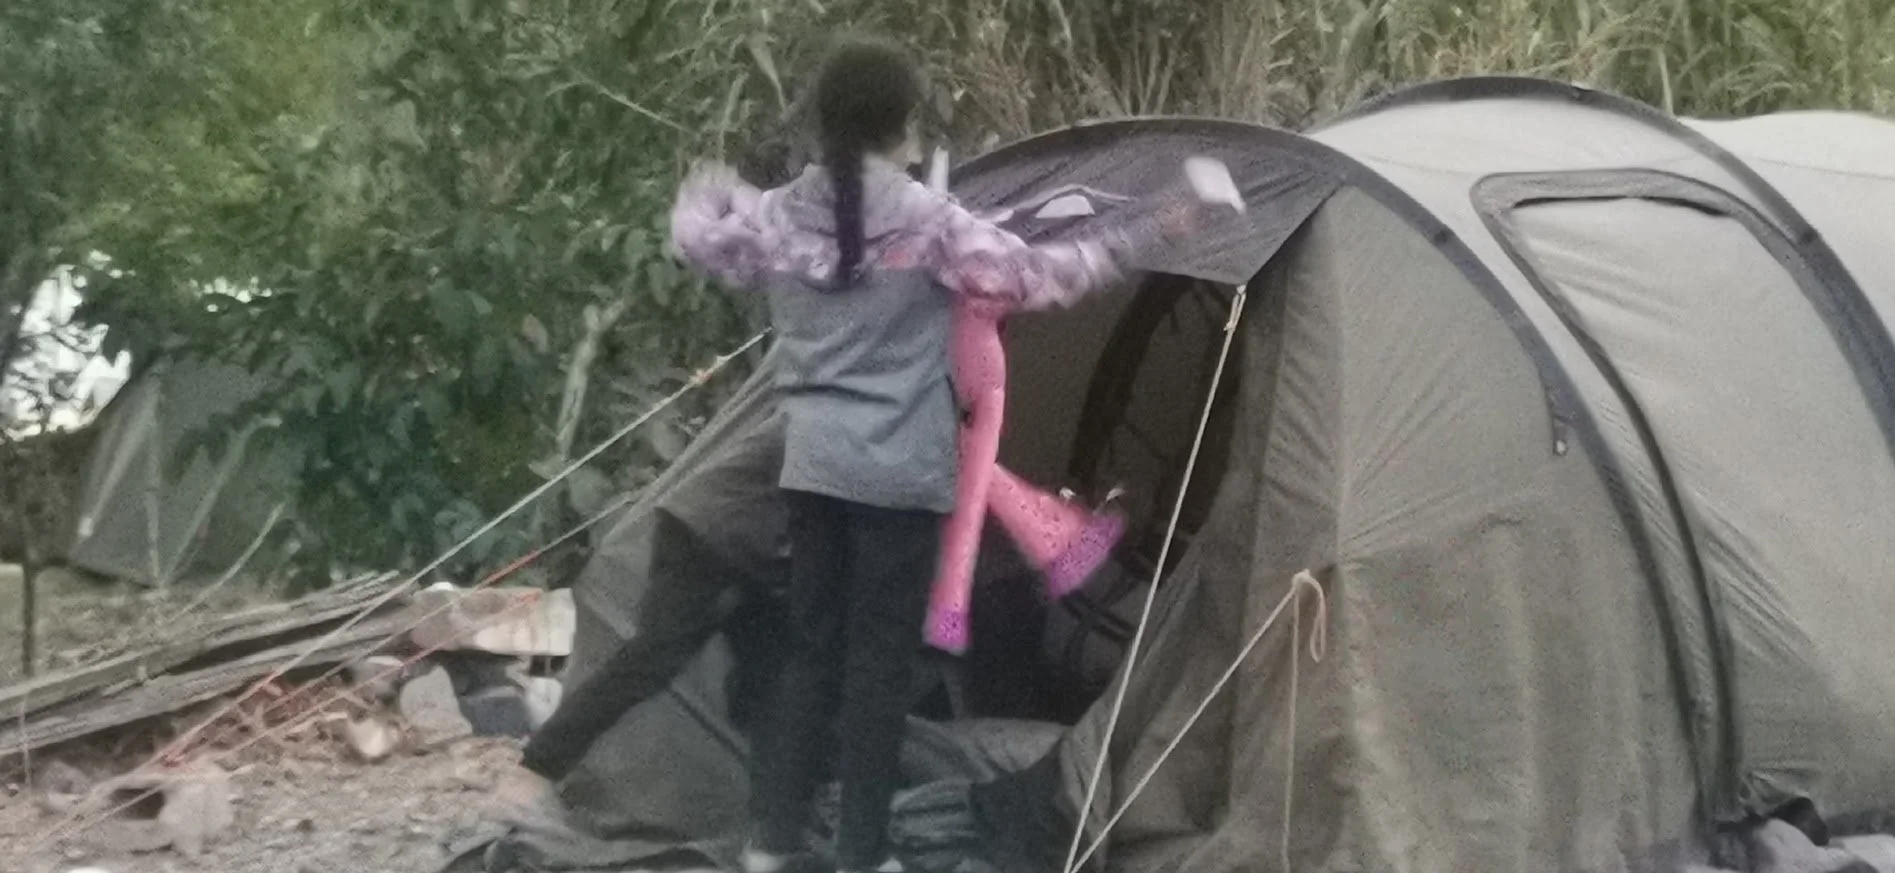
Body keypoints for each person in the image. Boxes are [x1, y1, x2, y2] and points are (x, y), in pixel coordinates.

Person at [666, 37, 1191, 873]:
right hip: (900, 477)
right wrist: (1148, 229)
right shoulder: (925, 220)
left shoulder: (780, 215)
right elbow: (1036, 276)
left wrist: (711, 187)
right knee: (877, 668)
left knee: (810, 655)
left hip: (812, 467)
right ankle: (864, 853)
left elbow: (701, 239)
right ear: (903, 125)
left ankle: (768, 841)